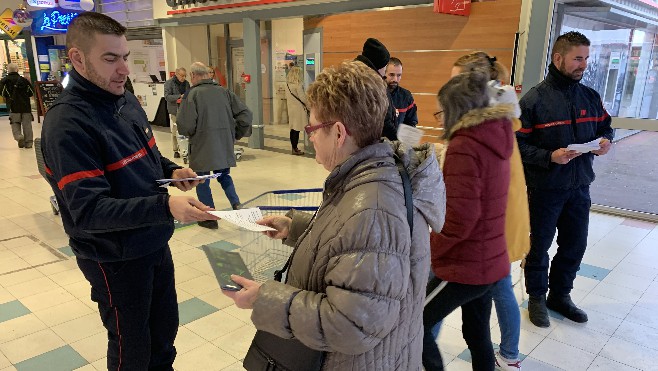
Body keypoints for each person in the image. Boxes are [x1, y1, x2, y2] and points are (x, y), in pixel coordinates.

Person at [224, 61, 446, 369]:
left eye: (313, 127)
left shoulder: (373, 206)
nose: (310, 136)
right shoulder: (371, 176)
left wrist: (266, 300)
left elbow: (352, 324)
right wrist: (298, 229)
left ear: (339, 132)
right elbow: (354, 250)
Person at [40, 12, 218, 370]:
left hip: (152, 243)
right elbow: (89, 211)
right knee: (131, 349)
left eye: (124, 57)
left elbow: (147, 155)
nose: (123, 69)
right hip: (114, 259)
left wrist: (171, 172)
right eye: (110, 59)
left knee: (164, 337)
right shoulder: (68, 124)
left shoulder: (123, 99)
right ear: (76, 58)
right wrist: (165, 207)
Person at [517, 31, 613, 328]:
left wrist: (606, 140)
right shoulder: (533, 100)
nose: (583, 65)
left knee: (575, 244)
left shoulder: (591, 96)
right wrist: (549, 157)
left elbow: (606, 127)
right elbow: (517, 146)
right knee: (539, 246)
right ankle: (536, 298)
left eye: (586, 58)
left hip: (579, 186)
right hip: (545, 188)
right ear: (558, 58)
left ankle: (560, 295)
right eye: (577, 58)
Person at [423, 70, 513, 371]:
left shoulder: (464, 146)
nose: (441, 118)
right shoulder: (495, 137)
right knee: (477, 332)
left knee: (413, 321)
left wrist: (431, 243)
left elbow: (459, 219)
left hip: (466, 262)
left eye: (443, 110)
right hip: (490, 258)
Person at [450, 52, 529, 371]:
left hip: (490, 224)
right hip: (499, 218)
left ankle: (509, 354)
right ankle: (507, 353)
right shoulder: (498, 120)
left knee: (495, 285)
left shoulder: (482, 129)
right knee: (494, 287)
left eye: (456, 80)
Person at [177, 62, 252, 228]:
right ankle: (236, 204)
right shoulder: (224, 92)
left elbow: (186, 125)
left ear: (193, 76)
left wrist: (191, 133)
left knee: (202, 180)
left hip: (201, 146)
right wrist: (235, 134)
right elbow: (246, 114)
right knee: (224, 176)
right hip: (223, 145)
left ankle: (209, 218)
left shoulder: (192, 94)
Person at [355, 37, 399, 140]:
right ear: (379, 64)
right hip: (370, 141)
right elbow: (384, 121)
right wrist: (398, 140)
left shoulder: (354, 75)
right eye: (385, 65)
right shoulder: (373, 84)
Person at [0, 63, 34, 148]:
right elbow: (31, 92)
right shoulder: (24, 80)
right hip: (26, 106)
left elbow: (3, 93)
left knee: (15, 123)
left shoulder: (4, 81)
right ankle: (29, 143)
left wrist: (10, 96)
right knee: (27, 125)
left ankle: (19, 137)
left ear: (8, 70)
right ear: (17, 69)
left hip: (13, 106)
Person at [164, 67, 190, 158]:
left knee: (186, 129)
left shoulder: (186, 83)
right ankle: (175, 150)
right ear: (176, 74)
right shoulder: (169, 83)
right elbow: (167, 97)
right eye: (182, 76)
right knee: (176, 130)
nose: (183, 78)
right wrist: (179, 96)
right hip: (175, 110)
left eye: (185, 76)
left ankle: (186, 148)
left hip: (185, 110)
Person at [385, 57, 418, 127]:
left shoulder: (406, 96)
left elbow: (411, 123)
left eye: (399, 75)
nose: (395, 79)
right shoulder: (374, 94)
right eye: (391, 75)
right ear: (384, 73)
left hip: (398, 137)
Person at [285, 65, 308, 155]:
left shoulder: (287, 85)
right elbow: (303, 98)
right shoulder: (298, 85)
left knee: (293, 128)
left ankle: (293, 147)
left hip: (291, 109)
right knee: (296, 130)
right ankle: (295, 148)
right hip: (298, 109)